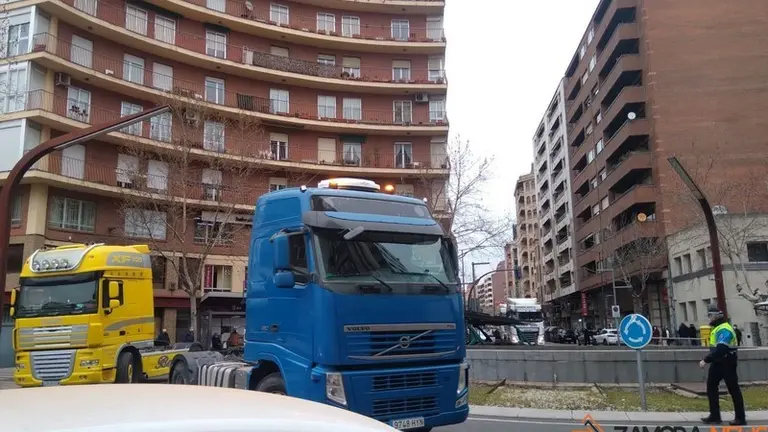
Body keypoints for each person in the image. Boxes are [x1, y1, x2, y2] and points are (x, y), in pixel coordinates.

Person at [699, 305, 746, 426]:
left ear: (715, 317)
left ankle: (740, 418)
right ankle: (715, 415)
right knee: (711, 386)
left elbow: (721, 348)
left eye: (709, 316)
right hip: (718, 361)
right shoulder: (717, 328)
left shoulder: (724, 329)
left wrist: (706, 360)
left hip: (727, 361)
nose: (708, 318)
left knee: (733, 388)